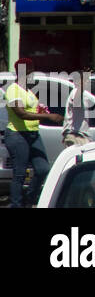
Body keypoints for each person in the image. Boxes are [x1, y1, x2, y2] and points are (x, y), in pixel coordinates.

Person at [5, 58, 62, 207]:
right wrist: (48, 116)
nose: (32, 75)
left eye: (33, 71)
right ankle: (16, 205)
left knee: (43, 169)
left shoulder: (28, 91)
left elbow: (31, 110)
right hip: (17, 135)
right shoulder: (13, 90)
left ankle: (29, 199)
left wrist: (40, 111)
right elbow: (21, 113)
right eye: (29, 72)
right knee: (20, 173)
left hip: (33, 134)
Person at [62, 69, 93, 148]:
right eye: (85, 80)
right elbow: (76, 102)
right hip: (76, 136)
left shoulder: (83, 93)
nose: (87, 82)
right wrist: (82, 85)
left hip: (80, 135)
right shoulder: (75, 91)